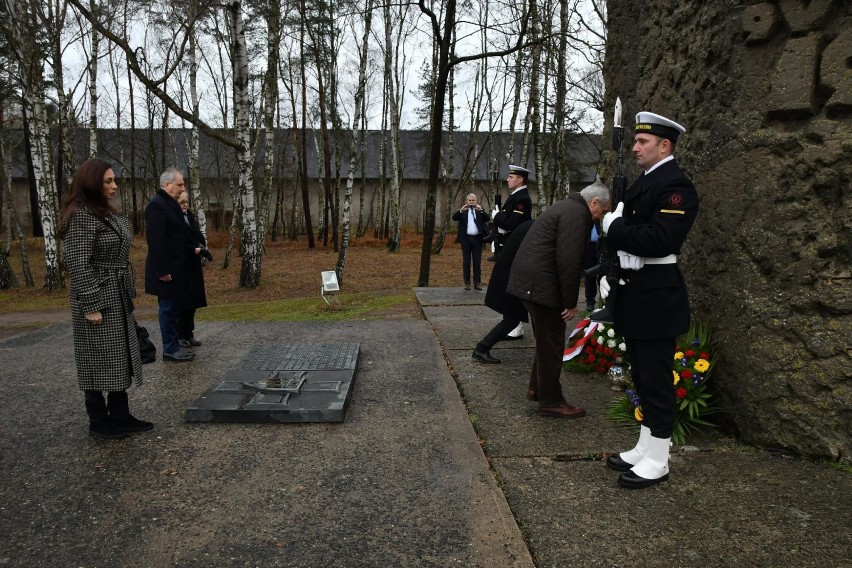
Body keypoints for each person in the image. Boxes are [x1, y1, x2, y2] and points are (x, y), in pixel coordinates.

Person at [601, 111, 699, 489]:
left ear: (665, 145)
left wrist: (615, 227)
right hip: (636, 290)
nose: (635, 147)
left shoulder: (676, 186)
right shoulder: (647, 181)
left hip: (657, 294)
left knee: (656, 378)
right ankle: (645, 446)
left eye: (643, 142)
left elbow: (661, 239)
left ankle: (659, 458)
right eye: (636, 141)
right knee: (641, 374)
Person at [60, 158, 153, 439]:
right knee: (96, 360)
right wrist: (91, 305)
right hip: (96, 296)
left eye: (114, 180)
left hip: (116, 293)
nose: (114, 186)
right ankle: (99, 422)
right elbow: (77, 263)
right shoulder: (80, 216)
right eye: (108, 181)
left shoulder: (105, 214)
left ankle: (120, 416)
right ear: (92, 184)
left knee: (118, 358)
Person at [506, 183, 610, 418]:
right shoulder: (578, 215)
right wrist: (570, 301)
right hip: (541, 285)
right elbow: (569, 261)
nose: (600, 217)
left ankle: (537, 390)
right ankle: (551, 402)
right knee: (552, 343)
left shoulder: (567, 207)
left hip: (533, 282)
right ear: (593, 203)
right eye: (602, 211)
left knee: (546, 340)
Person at [145, 167, 194, 362]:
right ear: (167, 184)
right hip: (166, 271)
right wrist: (162, 270)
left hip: (177, 268)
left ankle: (174, 345)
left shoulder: (170, 204)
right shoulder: (156, 206)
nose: (183, 188)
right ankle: (170, 349)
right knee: (168, 309)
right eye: (180, 184)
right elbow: (156, 242)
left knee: (174, 309)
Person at [472, 219, 533, 364]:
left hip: (509, 276)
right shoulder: (536, 228)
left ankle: (482, 348)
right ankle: (482, 348)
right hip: (510, 278)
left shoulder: (530, 225)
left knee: (512, 318)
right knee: (512, 319)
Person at [176, 191, 211, 349]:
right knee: (183, 302)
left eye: (186, 202)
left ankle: (189, 333)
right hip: (182, 264)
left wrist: (201, 247)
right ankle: (180, 334)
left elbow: (196, 235)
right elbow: (176, 244)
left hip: (193, 264)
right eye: (182, 202)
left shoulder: (189, 216)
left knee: (193, 301)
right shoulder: (175, 219)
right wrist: (196, 250)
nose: (185, 205)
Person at [490, 165, 533, 260]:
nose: (507, 180)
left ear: (520, 180)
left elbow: (510, 224)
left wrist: (497, 216)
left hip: (515, 244)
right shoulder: (516, 196)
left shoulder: (522, 199)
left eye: (511, 177)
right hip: (510, 242)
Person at [451, 193, 490, 290]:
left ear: (476, 201)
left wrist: (481, 210)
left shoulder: (479, 212)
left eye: (473, 200)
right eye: (470, 200)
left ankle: (477, 283)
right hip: (466, 240)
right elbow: (454, 217)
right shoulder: (463, 212)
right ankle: (467, 283)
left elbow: (487, 218)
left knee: (477, 262)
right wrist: (460, 210)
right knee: (466, 262)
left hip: (477, 239)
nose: (472, 202)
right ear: (467, 202)